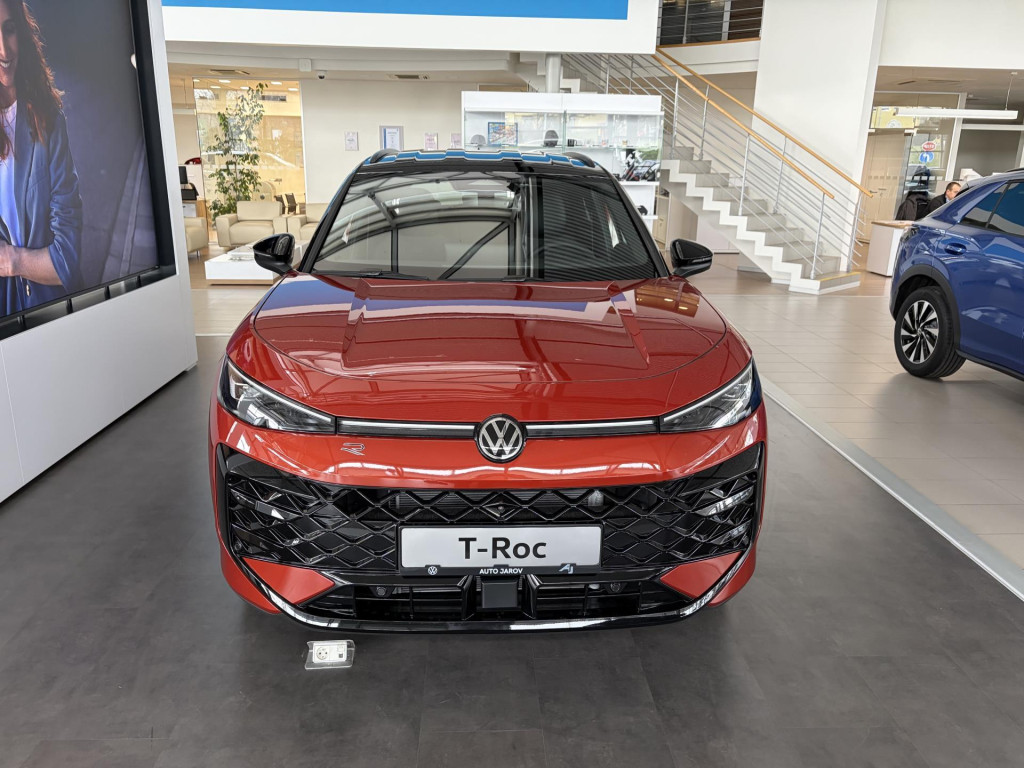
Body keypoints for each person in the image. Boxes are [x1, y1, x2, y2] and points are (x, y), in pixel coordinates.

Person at [0, 0, 81, 318]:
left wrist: (13, 261)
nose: (4, 50)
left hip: (49, 311)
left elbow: (66, 261)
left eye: (8, 30)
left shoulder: (48, 120)